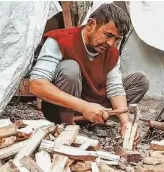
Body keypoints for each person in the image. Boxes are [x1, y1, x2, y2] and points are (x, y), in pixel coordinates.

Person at [28, 3, 148, 142]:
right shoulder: (60, 40)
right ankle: (67, 125)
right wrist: (84, 106)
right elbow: (36, 84)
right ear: (91, 24)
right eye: (108, 35)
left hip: (95, 105)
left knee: (140, 80)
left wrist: (125, 122)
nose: (110, 43)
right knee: (69, 68)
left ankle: (97, 117)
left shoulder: (111, 52)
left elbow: (115, 88)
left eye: (116, 39)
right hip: (64, 109)